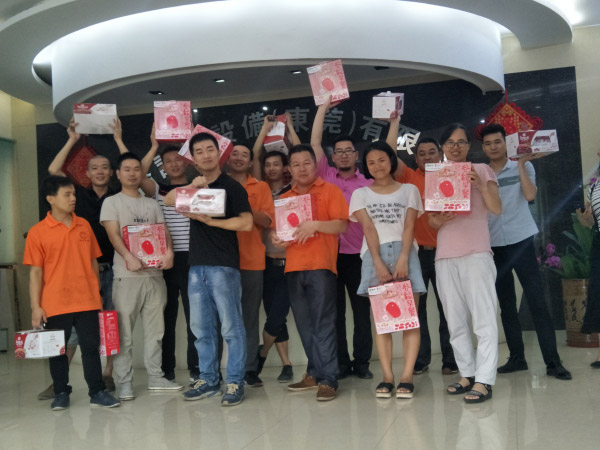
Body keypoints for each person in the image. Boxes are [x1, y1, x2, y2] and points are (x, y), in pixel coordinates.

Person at [164, 133, 253, 406]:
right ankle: (209, 379)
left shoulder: (231, 186)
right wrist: (192, 186)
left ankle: (235, 381)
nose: (205, 155)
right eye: (199, 151)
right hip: (196, 267)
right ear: (193, 158)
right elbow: (168, 199)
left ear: (219, 153)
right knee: (201, 329)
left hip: (224, 266)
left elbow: (246, 223)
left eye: (210, 149)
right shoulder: (193, 187)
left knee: (231, 328)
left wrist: (212, 222)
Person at [40, 117, 125, 398]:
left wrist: (118, 139)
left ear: (112, 172)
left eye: (105, 167)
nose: (100, 171)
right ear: (86, 172)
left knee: (109, 321)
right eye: (94, 167)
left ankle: (108, 373)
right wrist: (73, 139)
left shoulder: (118, 195)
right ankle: (60, 378)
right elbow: (53, 170)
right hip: (82, 271)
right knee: (74, 326)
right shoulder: (77, 195)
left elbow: (136, 170)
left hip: (115, 269)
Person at [481, 123, 572, 380]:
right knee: (507, 305)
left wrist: (521, 164)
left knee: (537, 301)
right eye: (487, 144)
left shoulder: (524, 166)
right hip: (493, 245)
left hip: (521, 241)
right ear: (483, 148)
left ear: (505, 143)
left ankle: (553, 362)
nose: (493, 147)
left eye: (497, 142)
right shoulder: (481, 173)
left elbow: (530, 195)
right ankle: (517, 358)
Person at [24, 175, 121, 410]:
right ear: (50, 199)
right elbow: (35, 273)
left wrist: (95, 292)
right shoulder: (38, 232)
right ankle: (60, 392)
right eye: (67, 194)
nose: (73, 198)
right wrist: (36, 307)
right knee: (58, 351)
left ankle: (97, 392)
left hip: (87, 300)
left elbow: (93, 262)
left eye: (74, 194)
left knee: (90, 348)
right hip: (55, 302)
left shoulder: (84, 225)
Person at [429, 123, 502, 404]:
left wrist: (479, 185)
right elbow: (432, 220)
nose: (455, 147)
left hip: (476, 253)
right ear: (443, 147)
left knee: (484, 319)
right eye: (450, 142)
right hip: (445, 256)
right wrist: (440, 219)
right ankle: (467, 373)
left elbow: (497, 208)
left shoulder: (482, 170)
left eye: (461, 142)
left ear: (469, 146)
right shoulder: (437, 174)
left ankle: (484, 379)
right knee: (455, 321)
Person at [100, 152, 182, 401]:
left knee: (156, 331)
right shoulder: (112, 202)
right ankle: (124, 382)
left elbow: (164, 232)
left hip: (155, 275)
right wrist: (128, 256)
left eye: (137, 169)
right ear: (118, 174)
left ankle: (156, 377)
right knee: (124, 333)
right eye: (127, 169)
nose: (133, 173)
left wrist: (169, 252)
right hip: (127, 276)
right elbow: (113, 235)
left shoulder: (152, 203)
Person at [271, 144, 349, 402]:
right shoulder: (285, 199)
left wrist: (315, 225)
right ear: (289, 169)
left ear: (316, 165)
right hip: (294, 267)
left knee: (323, 322)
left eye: (307, 163)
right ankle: (314, 372)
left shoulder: (330, 190)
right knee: (304, 325)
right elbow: (280, 234)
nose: (302, 169)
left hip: (321, 266)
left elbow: (341, 225)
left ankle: (329, 379)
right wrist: (277, 239)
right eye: (296, 164)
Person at [349, 141, 426, 399]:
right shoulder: (361, 194)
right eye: (371, 162)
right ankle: (387, 377)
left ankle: (407, 377)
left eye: (382, 160)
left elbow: (409, 226)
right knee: (383, 322)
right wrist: (378, 262)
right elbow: (369, 229)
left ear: (391, 160)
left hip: (406, 254)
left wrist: (404, 257)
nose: (377, 166)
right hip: (375, 256)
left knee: (410, 319)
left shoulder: (409, 190)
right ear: (366, 166)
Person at [386, 118, 458, 375]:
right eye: (422, 154)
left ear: (440, 155)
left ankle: (451, 360)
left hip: (446, 253)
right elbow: (389, 155)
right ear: (415, 158)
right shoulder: (409, 177)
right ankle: (421, 359)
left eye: (431, 152)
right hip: (416, 255)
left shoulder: (451, 175)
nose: (427, 157)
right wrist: (394, 122)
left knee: (448, 308)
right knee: (417, 310)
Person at [310, 96, 374, 379]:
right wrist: (323, 109)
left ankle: (362, 364)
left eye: (349, 151)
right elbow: (314, 143)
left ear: (356, 155)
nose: (344, 155)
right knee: (335, 314)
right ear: (333, 157)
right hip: (331, 256)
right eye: (339, 152)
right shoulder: (326, 176)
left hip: (361, 256)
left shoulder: (368, 183)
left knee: (362, 313)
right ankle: (342, 364)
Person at [139, 124, 199, 383]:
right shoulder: (158, 191)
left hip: (194, 258)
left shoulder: (198, 187)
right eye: (168, 161)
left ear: (186, 162)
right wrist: (154, 145)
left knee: (195, 317)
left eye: (178, 159)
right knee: (166, 316)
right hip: (165, 260)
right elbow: (138, 175)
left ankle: (197, 369)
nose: (174, 164)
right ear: (162, 166)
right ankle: (167, 370)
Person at [251, 115, 300, 382]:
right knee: (274, 315)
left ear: (285, 167)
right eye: (267, 165)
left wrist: (290, 129)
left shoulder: (294, 191)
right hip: (267, 264)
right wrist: (263, 130)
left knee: (278, 313)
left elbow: (301, 153)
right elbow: (255, 156)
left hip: (291, 262)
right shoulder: (259, 190)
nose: (271, 168)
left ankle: (261, 354)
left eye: (276, 164)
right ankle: (287, 363)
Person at [227, 143, 275, 387]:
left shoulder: (261, 187)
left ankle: (249, 369)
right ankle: (216, 370)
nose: (238, 158)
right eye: (234, 153)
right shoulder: (217, 184)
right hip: (221, 261)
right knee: (220, 318)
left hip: (253, 260)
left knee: (249, 317)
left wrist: (242, 204)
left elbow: (267, 220)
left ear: (250, 162)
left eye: (244, 155)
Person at [580, 148, 600, 366]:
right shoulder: (594, 186)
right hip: (599, 243)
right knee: (598, 294)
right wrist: (585, 218)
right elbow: (589, 221)